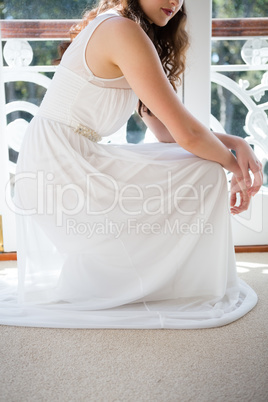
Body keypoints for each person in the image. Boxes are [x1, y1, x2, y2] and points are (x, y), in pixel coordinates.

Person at [0, 0, 263, 329]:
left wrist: (233, 144)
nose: (174, 2)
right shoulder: (121, 30)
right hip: (57, 167)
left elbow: (166, 130)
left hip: (71, 158)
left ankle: (177, 279)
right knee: (206, 168)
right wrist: (234, 166)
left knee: (201, 164)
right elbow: (186, 134)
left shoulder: (128, 30)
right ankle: (174, 279)